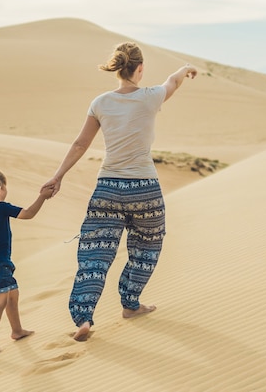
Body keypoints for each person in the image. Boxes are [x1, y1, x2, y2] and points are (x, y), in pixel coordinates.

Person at [41, 42, 197, 341]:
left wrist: (58, 176)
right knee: (146, 248)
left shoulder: (100, 102)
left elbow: (79, 144)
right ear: (140, 68)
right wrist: (184, 68)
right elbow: (173, 81)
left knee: (94, 256)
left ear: (117, 68)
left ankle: (83, 318)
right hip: (145, 191)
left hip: (107, 190)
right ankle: (130, 303)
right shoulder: (151, 97)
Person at [0, 168, 53, 353]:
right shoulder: (1, 208)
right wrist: (42, 197)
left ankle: (17, 330)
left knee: (12, 295)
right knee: (0, 302)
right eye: (5, 187)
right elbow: (29, 213)